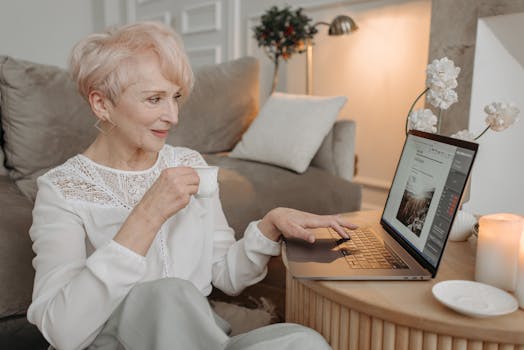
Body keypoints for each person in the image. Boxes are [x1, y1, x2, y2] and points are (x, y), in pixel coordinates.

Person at [27, 21, 356, 350]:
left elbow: (224, 274)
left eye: (175, 98)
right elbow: (62, 331)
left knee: (303, 342)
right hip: (118, 342)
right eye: (154, 99)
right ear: (101, 104)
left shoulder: (188, 163)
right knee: (168, 294)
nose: (173, 116)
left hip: (199, 335)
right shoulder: (62, 190)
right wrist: (147, 215)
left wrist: (268, 227)